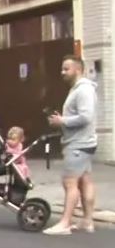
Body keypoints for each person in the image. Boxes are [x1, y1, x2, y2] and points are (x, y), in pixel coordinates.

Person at [44, 55, 98, 235]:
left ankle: (65, 223)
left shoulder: (83, 90)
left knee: (70, 182)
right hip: (83, 142)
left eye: (66, 69)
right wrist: (63, 120)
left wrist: (62, 121)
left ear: (78, 69)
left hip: (78, 143)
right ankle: (87, 221)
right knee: (85, 181)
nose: (62, 72)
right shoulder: (79, 89)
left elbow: (86, 117)